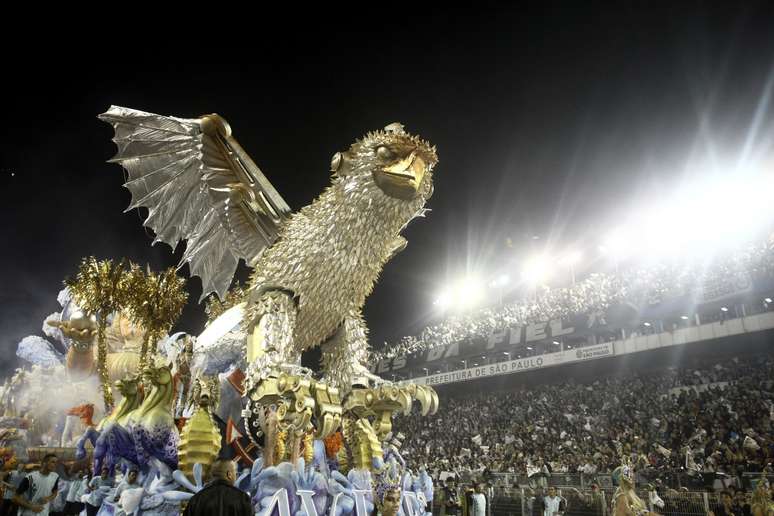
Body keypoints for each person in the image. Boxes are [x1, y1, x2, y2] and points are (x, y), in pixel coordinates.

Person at [182, 459, 251, 516]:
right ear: (229, 475)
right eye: (235, 474)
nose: (236, 477)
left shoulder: (197, 498)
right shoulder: (242, 498)